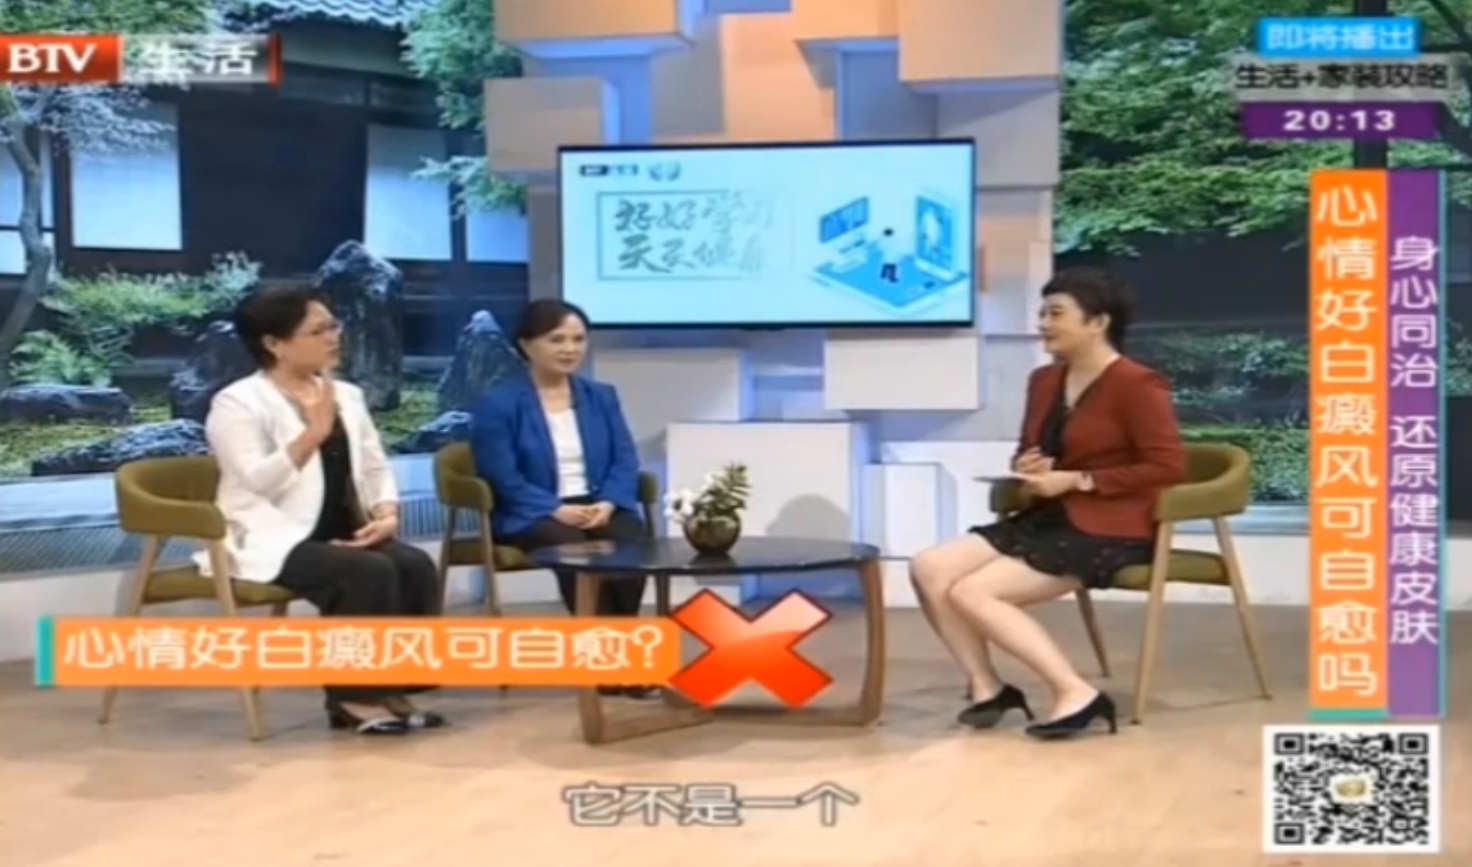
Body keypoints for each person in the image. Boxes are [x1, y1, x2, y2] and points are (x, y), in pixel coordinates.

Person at [909, 268, 1186, 740]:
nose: (1042, 323)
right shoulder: (1044, 380)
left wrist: (1078, 479)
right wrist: (1030, 464)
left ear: (1097, 323)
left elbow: (1166, 466)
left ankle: (1075, 692)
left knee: (973, 592)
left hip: (1111, 526)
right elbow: (1030, 447)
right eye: (1042, 312)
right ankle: (987, 687)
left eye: (1056, 314)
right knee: (930, 567)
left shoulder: (1138, 384)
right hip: (1048, 517)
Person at [202, 286, 445, 736]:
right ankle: (352, 698)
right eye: (318, 330)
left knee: (413, 565)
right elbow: (257, 480)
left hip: (343, 527)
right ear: (274, 343)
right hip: (271, 534)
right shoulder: (237, 402)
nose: (334, 337)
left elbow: (373, 463)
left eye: (334, 326)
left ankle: (393, 687)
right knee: (365, 572)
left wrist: (386, 513)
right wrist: (312, 434)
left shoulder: (346, 395)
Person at [468, 300, 654, 697]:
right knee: (574, 548)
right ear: (526, 345)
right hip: (532, 511)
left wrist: (609, 502)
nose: (569, 349)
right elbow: (501, 475)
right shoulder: (499, 403)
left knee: (629, 541)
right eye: (556, 340)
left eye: (578, 339)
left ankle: (627, 656)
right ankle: (605, 661)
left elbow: (624, 458)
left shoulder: (601, 396)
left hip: (598, 503)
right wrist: (554, 508)